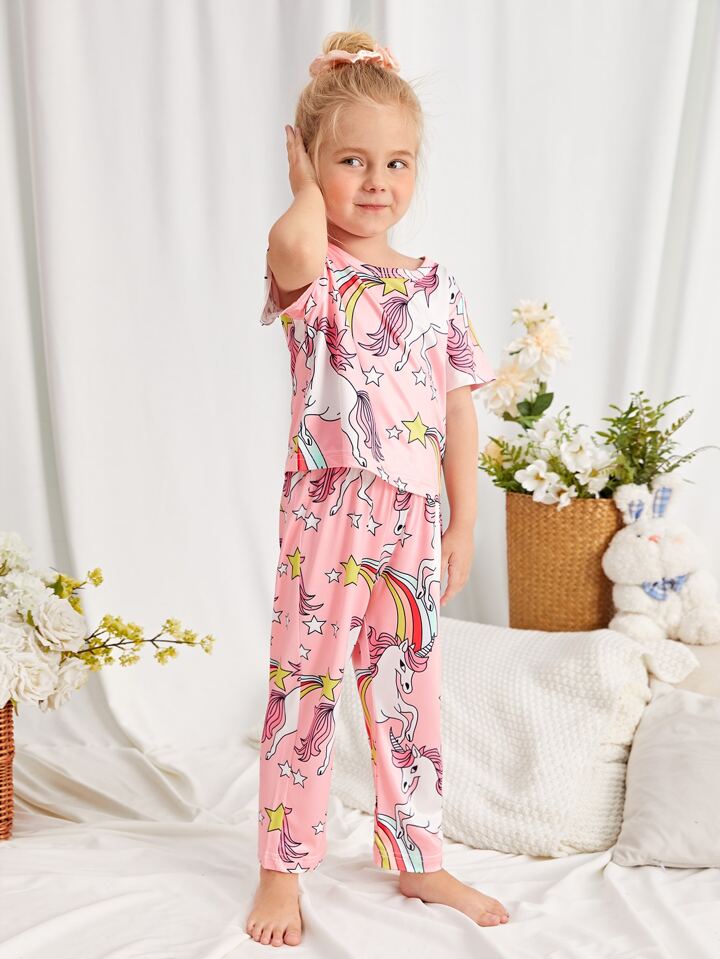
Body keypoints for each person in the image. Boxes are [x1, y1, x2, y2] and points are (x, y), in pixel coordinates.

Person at [246, 29, 508, 947]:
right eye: (350, 160)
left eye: (396, 162)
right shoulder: (314, 268)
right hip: (330, 507)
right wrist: (300, 189)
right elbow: (289, 242)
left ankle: (418, 853)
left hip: (415, 515)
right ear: (311, 162)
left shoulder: (437, 285)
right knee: (306, 682)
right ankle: (283, 866)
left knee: (410, 686)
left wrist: (462, 523)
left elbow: (460, 407)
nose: (376, 182)